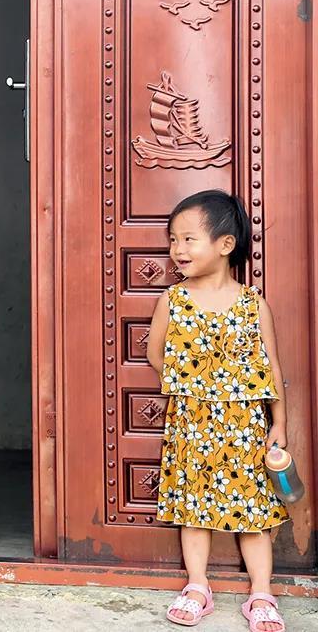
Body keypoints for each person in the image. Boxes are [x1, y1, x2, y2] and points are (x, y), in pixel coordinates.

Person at [147, 190, 288, 631]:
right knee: (192, 510)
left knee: (254, 514)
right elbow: (155, 353)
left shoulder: (252, 304)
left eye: (188, 239)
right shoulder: (173, 300)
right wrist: (193, 384)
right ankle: (197, 587)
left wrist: (280, 423)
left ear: (226, 244)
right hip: (192, 423)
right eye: (173, 240)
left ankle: (261, 593)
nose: (177, 249)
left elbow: (272, 367)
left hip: (245, 427)